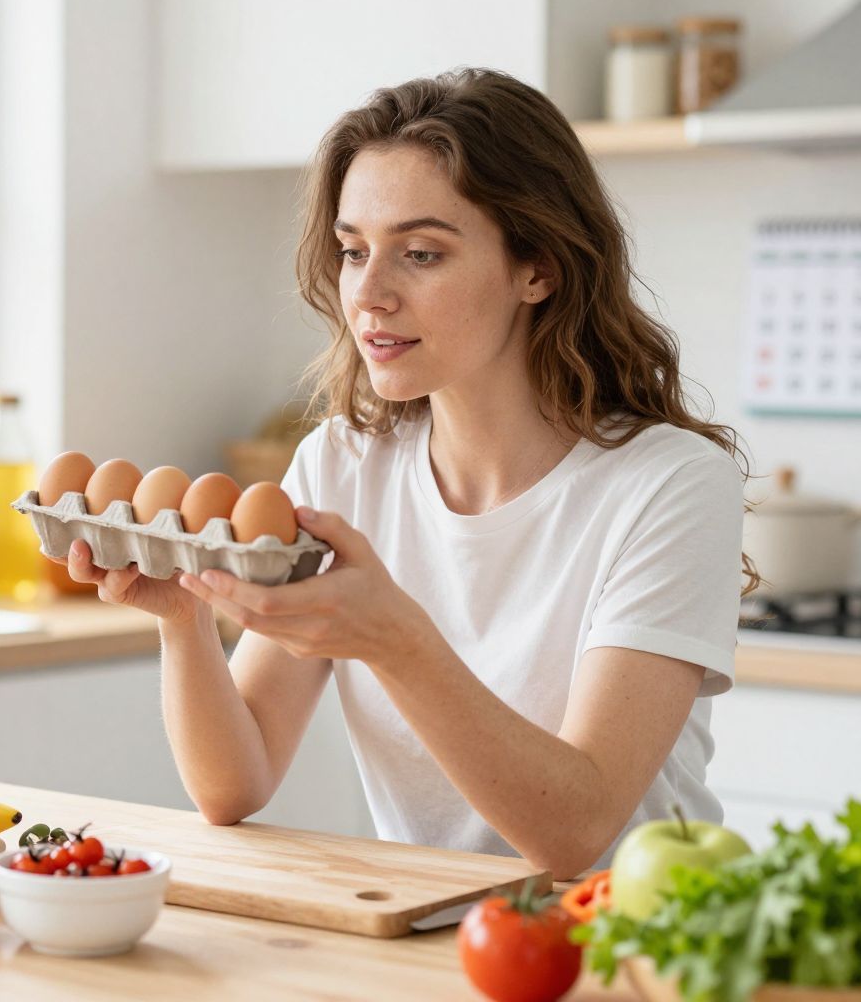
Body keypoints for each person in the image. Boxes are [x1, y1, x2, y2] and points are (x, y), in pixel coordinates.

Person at [58, 68, 756, 880]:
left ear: (540, 269)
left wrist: (396, 642)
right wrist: (182, 619)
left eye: (420, 254)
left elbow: (578, 831)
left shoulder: (668, 485)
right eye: (355, 251)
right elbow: (234, 784)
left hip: (626, 944)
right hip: (427, 934)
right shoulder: (342, 465)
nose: (370, 296)